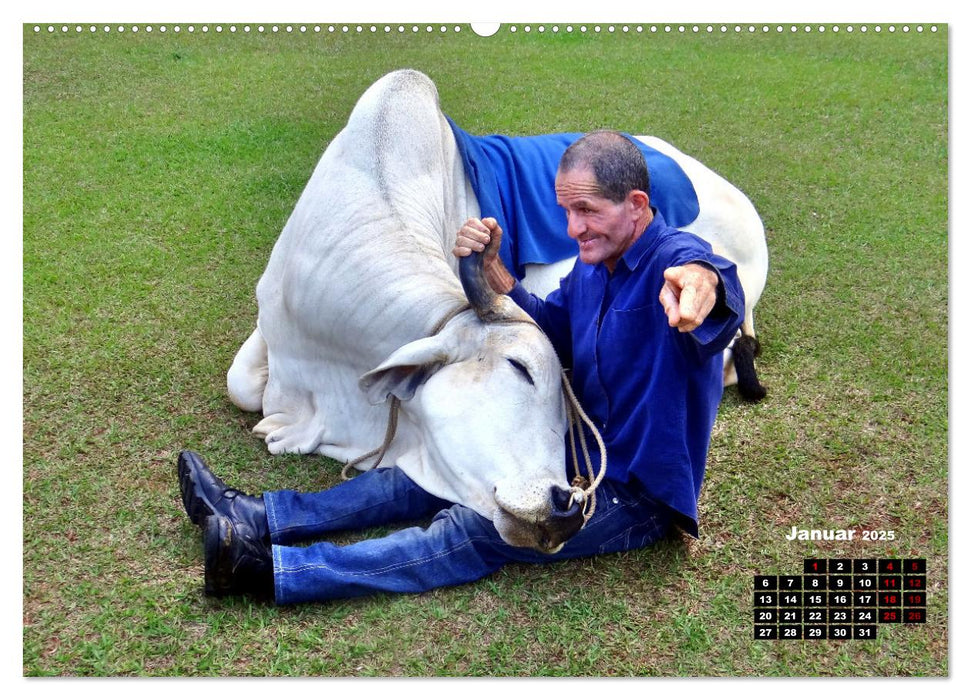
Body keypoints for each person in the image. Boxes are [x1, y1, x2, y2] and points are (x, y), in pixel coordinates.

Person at [178, 130, 744, 604]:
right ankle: (257, 516)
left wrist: (706, 286)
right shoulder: (593, 267)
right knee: (425, 474)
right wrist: (493, 268)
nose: (574, 229)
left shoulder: (673, 261)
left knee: (475, 529)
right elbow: (551, 328)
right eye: (567, 210)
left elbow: (714, 284)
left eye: (588, 211)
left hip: (634, 493)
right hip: (574, 451)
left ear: (638, 205)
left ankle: (273, 572)